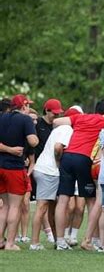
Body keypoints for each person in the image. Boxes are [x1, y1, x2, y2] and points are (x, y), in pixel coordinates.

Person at [53, 99, 104, 250]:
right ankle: (91, 240)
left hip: (67, 157)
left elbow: (57, 121)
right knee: (91, 201)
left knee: (62, 200)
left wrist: (76, 126)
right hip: (84, 159)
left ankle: (60, 241)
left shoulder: (80, 117)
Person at [30, 106, 83, 250]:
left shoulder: (58, 129)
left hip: (44, 169)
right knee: (42, 207)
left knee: (53, 207)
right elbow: (58, 147)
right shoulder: (67, 130)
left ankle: (57, 241)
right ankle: (34, 243)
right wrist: (59, 163)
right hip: (49, 171)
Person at [0, 94, 39, 250]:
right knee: (15, 206)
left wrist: (7, 149)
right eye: (28, 105)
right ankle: (10, 243)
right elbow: (33, 141)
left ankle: (0, 241)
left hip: (0, 166)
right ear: (23, 106)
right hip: (14, 168)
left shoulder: (1, 117)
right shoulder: (25, 120)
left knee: (4, 206)